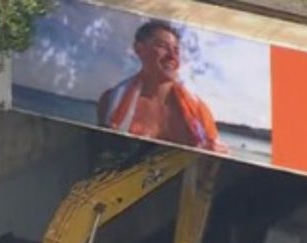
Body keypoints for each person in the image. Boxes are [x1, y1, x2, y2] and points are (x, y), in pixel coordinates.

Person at [97, 20, 229, 154]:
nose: (172, 56)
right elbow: (100, 153)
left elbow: (213, 160)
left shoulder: (198, 110)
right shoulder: (112, 101)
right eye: (162, 46)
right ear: (139, 49)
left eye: (176, 50)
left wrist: (219, 151)